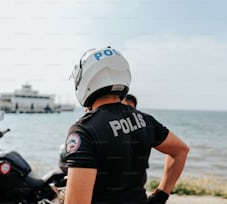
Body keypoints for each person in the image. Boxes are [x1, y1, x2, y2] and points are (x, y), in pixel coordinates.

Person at [64, 47, 189, 204]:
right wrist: (160, 196)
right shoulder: (145, 120)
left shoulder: (85, 130)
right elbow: (180, 151)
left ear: (86, 79)